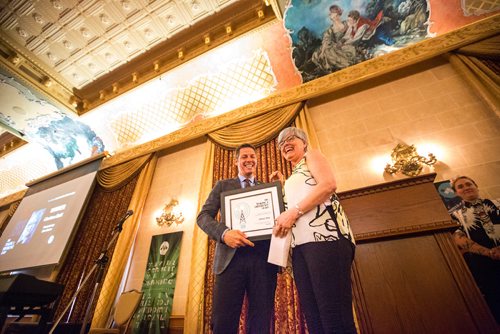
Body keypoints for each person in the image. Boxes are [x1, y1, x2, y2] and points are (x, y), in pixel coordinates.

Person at [271, 127, 356, 334]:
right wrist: (282, 186)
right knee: (314, 316)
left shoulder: (312, 155)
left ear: (304, 143)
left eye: (291, 139)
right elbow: (299, 198)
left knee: (333, 314)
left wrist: (294, 212)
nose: (285, 144)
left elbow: (328, 184)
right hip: (300, 248)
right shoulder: (293, 175)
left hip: (326, 241)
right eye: (281, 143)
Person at [197, 143, 278, 333]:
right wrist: (225, 234)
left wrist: (280, 191)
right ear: (236, 162)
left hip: (262, 261)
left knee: (261, 321)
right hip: (229, 261)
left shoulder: (267, 190)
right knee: (223, 321)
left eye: (252, 156)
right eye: (244, 157)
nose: (249, 160)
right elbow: (203, 217)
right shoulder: (223, 185)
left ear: (257, 161)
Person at [450, 176, 500, 323]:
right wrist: (489, 253)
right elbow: (458, 238)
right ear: (457, 193)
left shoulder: (498, 204)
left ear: (476, 186)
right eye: (460, 187)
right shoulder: (455, 216)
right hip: (485, 266)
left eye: (469, 184)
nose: (466, 188)